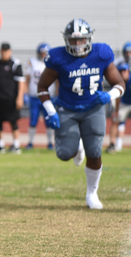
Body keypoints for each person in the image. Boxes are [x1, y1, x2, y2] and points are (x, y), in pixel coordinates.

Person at [37, 18, 125, 210]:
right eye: (73, 40)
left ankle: (92, 193)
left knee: (95, 152)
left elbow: (120, 84)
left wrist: (108, 96)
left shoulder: (101, 53)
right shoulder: (57, 57)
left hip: (93, 108)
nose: (77, 44)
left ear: (89, 38)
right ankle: (77, 145)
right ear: (66, 39)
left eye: (81, 39)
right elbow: (42, 87)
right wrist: (51, 111)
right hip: (67, 109)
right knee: (64, 154)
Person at [0, 42, 25, 154]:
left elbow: (21, 82)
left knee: (13, 121)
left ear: (9, 51)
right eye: (2, 51)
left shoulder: (15, 64)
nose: (4, 53)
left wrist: (20, 97)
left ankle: (16, 144)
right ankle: (0, 144)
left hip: (11, 98)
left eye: (6, 51)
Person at [24, 43, 56, 150]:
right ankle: (30, 142)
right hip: (34, 97)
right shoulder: (32, 62)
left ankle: (50, 143)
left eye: (45, 53)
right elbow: (27, 79)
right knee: (33, 120)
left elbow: (57, 81)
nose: (43, 55)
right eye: (42, 52)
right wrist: (25, 93)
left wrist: (57, 95)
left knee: (49, 121)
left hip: (48, 97)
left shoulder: (53, 63)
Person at [106, 42, 131, 153]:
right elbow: (117, 93)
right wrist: (116, 109)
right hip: (124, 101)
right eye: (120, 71)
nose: (122, 73)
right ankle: (113, 144)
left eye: (124, 71)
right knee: (116, 119)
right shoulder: (119, 64)